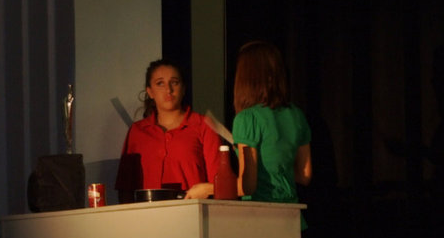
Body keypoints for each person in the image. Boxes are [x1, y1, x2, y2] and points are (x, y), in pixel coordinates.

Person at [115, 59, 221, 203]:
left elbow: (220, 183)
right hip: (147, 217)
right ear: (150, 92)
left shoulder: (203, 125)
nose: (168, 89)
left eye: (174, 82)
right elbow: (126, 188)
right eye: (160, 83)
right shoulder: (138, 131)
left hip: (192, 215)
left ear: (183, 89)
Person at [228, 41, 312, 210]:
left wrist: (207, 188)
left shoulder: (247, 118)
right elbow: (305, 175)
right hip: (292, 214)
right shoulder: (296, 114)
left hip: (260, 215)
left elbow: (247, 186)